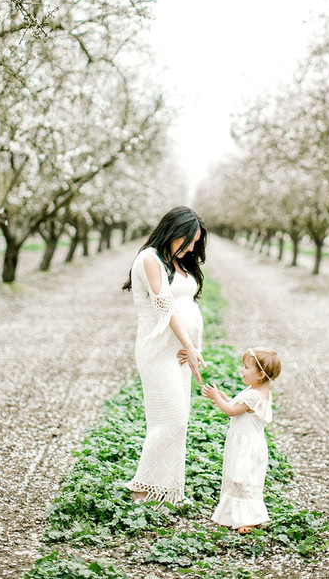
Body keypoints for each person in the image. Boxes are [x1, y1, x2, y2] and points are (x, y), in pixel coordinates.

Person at [123, 206, 208, 505]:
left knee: (179, 419)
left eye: (196, 242)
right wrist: (190, 345)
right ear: (172, 232)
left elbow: (189, 307)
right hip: (159, 351)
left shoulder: (176, 262)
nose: (191, 248)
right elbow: (165, 307)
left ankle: (168, 490)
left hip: (180, 352)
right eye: (188, 240)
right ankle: (142, 489)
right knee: (171, 420)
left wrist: (195, 345)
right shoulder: (149, 259)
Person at [201, 347, 281, 533]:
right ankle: (235, 515)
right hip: (244, 442)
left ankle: (250, 518)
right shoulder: (255, 389)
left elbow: (231, 411)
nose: (241, 370)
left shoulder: (255, 394)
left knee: (243, 479)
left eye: (246, 367)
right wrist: (223, 397)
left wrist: (215, 398)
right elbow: (237, 405)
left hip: (247, 445)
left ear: (260, 374)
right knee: (237, 477)